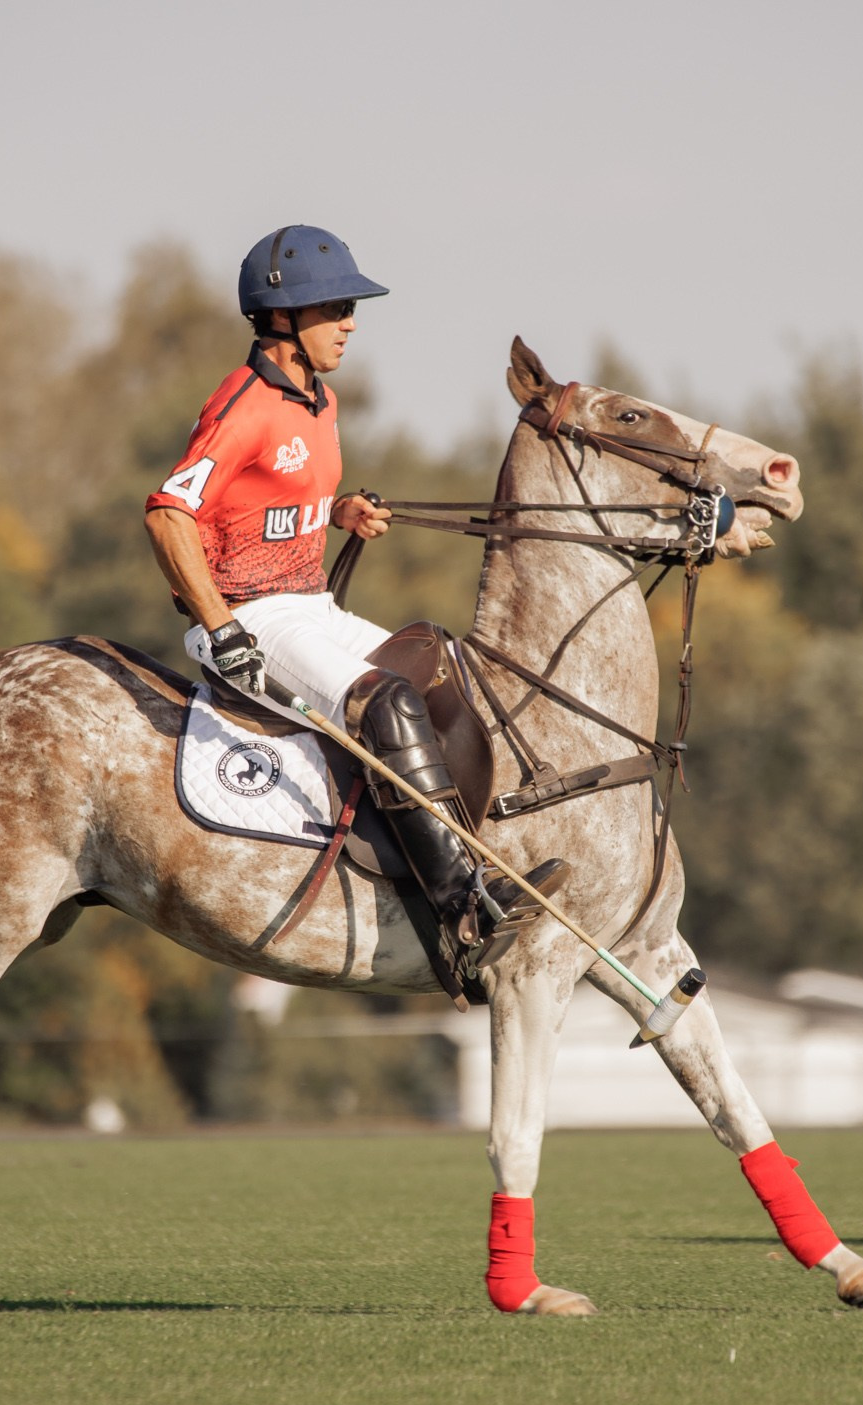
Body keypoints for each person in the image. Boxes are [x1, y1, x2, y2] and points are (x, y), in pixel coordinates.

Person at [144, 225, 563, 987]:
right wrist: (221, 627)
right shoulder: (242, 405)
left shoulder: (319, 400)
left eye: (350, 308)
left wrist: (336, 512)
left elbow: (268, 498)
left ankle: (467, 854)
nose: (350, 323)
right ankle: (462, 911)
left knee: (439, 665)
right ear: (282, 317)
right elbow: (168, 513)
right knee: (388, 702)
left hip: (309, 605)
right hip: (251, 620)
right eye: (336, 308)